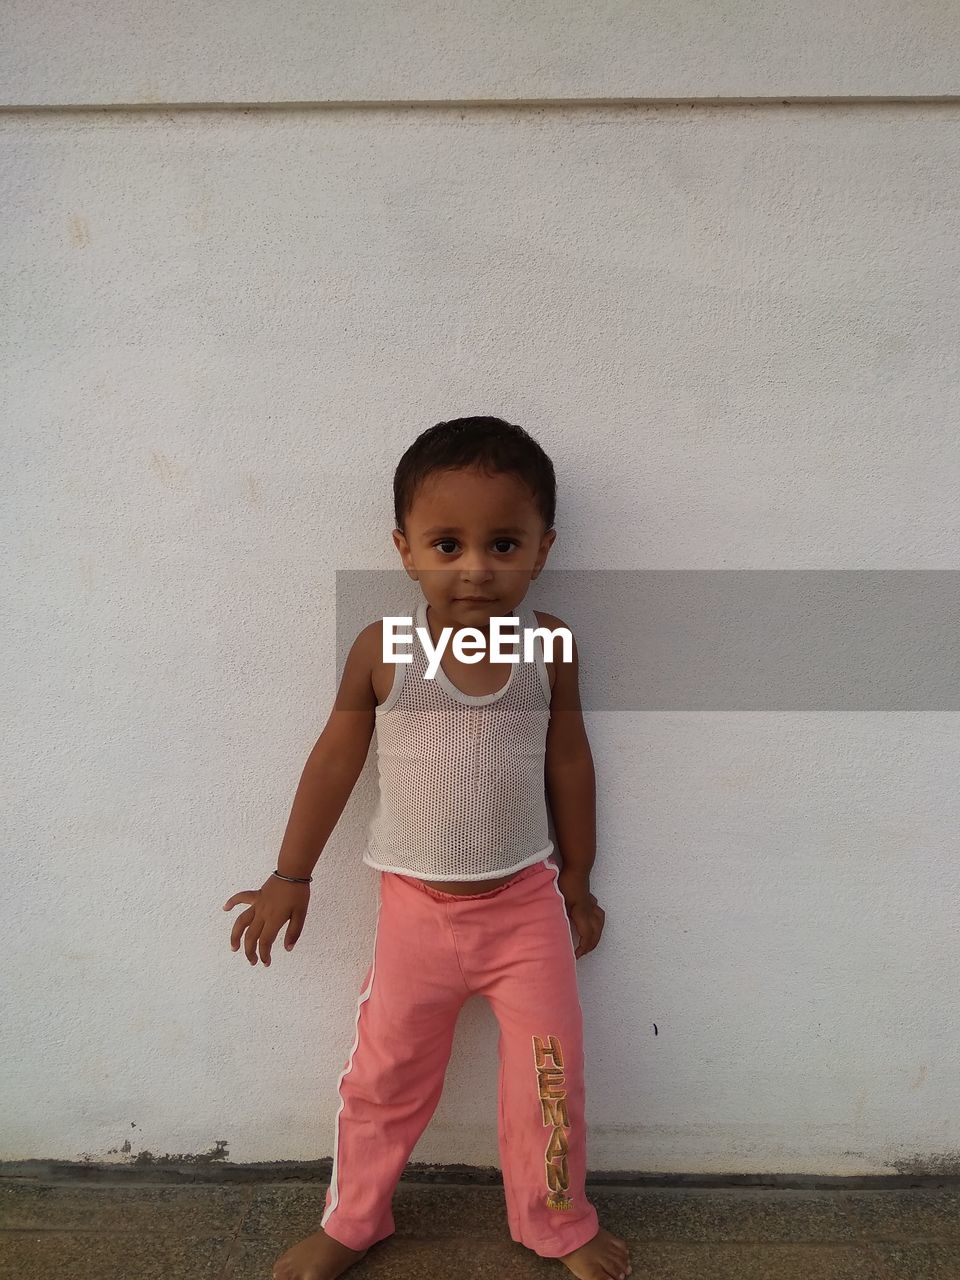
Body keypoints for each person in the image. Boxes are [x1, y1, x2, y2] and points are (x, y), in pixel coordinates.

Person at [222, 417, 632, 1280]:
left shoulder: (549, 648)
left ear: (543, 549)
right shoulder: (386, 649)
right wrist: (288, 874)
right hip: (415, 915)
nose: (476, 567)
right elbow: (335, 759)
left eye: (504, 542)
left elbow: (569, 759)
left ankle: (556, 1222)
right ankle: (355, 1220)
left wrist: (581, 881)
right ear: (406, 549)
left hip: (526, 909)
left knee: (549, 1084)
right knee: (384, 1081)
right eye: (448, 544)